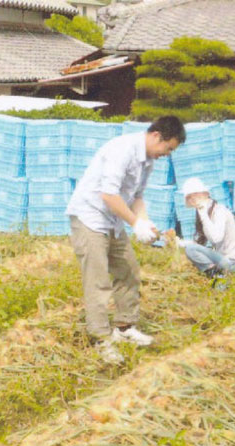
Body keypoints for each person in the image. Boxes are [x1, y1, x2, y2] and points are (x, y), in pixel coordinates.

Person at [65, 115, 185, 364]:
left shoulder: (148, 161)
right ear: (155, 136)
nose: (167, 154)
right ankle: (101, 339)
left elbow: (136, 196)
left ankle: (124, 328)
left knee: (129, 269)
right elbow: (108, 194)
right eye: (168, 148)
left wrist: (144, 220)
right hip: (90, 217)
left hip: (113, 221)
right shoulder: (122, 150)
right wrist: (135, 223)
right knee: (98, 281)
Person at [177, 177, 235, 279]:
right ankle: (220, 277)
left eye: (196, 195)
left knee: (191, 249)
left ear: (205, 194)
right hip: (225, 261)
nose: (193, 200)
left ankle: (215, 275)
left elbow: (216, 238)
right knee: (220, 290)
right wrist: (180, 242)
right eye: (190, 197)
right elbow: (202, 243)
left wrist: (202, 212)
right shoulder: (206, 212)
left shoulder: (219, 211)